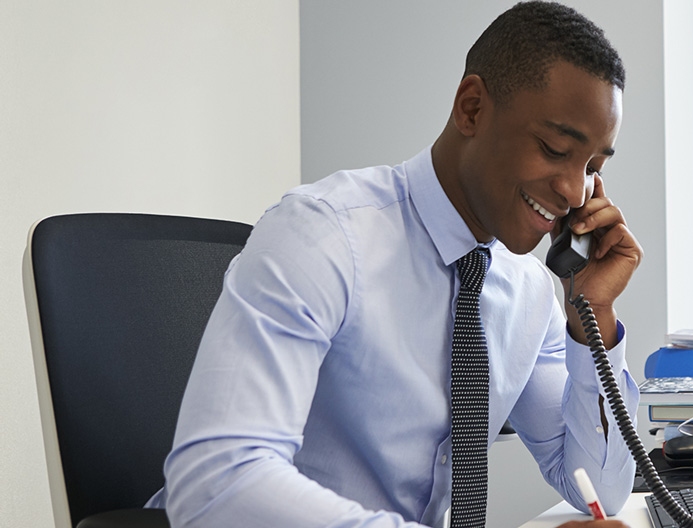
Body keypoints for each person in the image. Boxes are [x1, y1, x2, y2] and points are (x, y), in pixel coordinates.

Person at [149, 2, 641, 527]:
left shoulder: (530, 292)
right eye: (555, 148)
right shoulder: (322, 236)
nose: (574, 193)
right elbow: (218, 484)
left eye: (592, 167)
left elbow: (602, 489)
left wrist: (592, 316)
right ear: (472, 108)